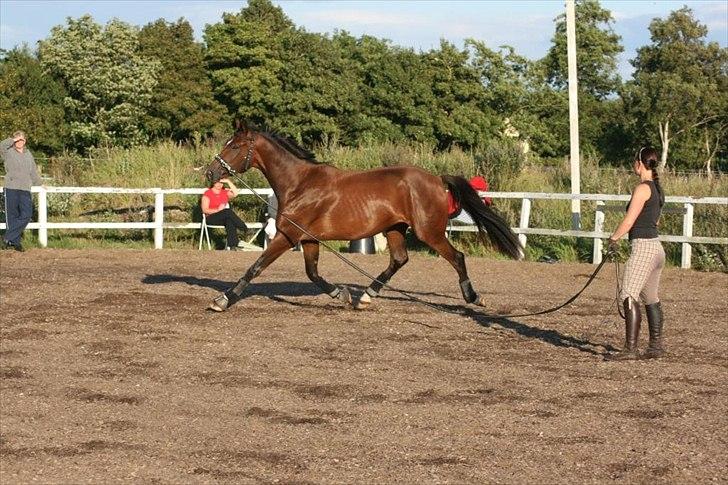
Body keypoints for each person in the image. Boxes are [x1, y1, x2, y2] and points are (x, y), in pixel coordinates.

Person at [605, 146, 666, 361]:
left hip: (643, 247)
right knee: (651, 297)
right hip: (657, 248)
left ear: (639, 163)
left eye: (634, 161)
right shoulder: (658, 189)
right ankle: (655, 346)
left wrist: (613, 238)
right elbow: (656, 221)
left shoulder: (642, 189)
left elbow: (629, 221)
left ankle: (630, 349)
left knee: (628, 294)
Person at [2, 131, 43, 252]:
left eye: (22, 139)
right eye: (17, 140)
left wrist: (40, 183)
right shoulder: (8, 152)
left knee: (26, 215)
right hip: (11, 187)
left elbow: (33, 171)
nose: (20, 142)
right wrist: (13, 139)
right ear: (14, 140)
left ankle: (7, 237)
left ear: (25, 141)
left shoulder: (28, 154)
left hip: (25, 188)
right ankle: (15, 242)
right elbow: (1, 145)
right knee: (12, 216)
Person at [201, 177, 248, 250]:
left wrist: (229, 182)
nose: (220, 184)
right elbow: (205, 210)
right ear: (213, 183)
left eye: (221, 183)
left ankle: (233, 246)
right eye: (218, 182)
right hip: (211, 217)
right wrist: (217, 210)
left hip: (223, 217)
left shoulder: (224, 192)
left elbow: (236, 193)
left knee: (229, 221)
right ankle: (244, 228)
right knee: (228, 211)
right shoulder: (208, 193)